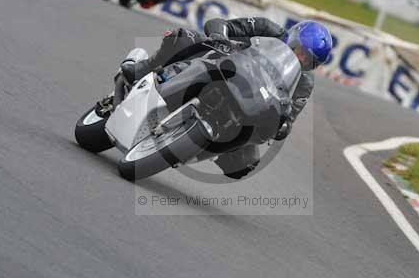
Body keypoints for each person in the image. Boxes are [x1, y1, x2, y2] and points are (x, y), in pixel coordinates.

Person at [119, 17, 333, 179]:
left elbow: (289, 116)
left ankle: (194, 145)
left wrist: (283, 125)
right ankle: (143, 68)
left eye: (308, 59)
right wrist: (220, 37)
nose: (301, 58)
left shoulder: (304, 83)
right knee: (185, 38)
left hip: (248, 104)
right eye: (301, 51)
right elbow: (220, 24)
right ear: (293, 38)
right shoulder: (267, 29)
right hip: (224, 66)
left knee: (244, 165)